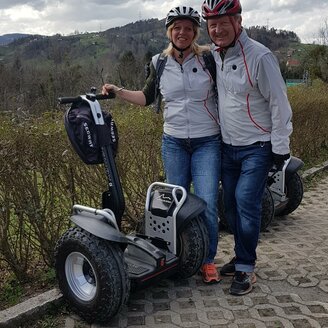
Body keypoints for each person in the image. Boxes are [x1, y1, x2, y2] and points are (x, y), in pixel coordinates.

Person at [102, 6, 221, 284]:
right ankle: (175, 256)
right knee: (173, 207)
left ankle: (207, 261)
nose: (183, 33)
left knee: (207, 202)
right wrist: (117, 90)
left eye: (189, 28)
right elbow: (146, 97)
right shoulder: (160, 62)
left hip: (207, 141)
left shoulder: (210, 59)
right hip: (174, 142)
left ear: (195, 32)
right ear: (170, 32)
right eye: (177, 28)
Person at [201, 0, 293, 295]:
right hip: (228, 147)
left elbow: (279, 103)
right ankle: (240, 257)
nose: (218, 29)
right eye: (212, 24)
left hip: (257, 146)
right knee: (229, 206)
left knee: (245, 202)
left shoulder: (260, 56)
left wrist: (281, 148)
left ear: (238, 22)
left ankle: (246, 268)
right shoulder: (216, 55)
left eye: (223, 23)